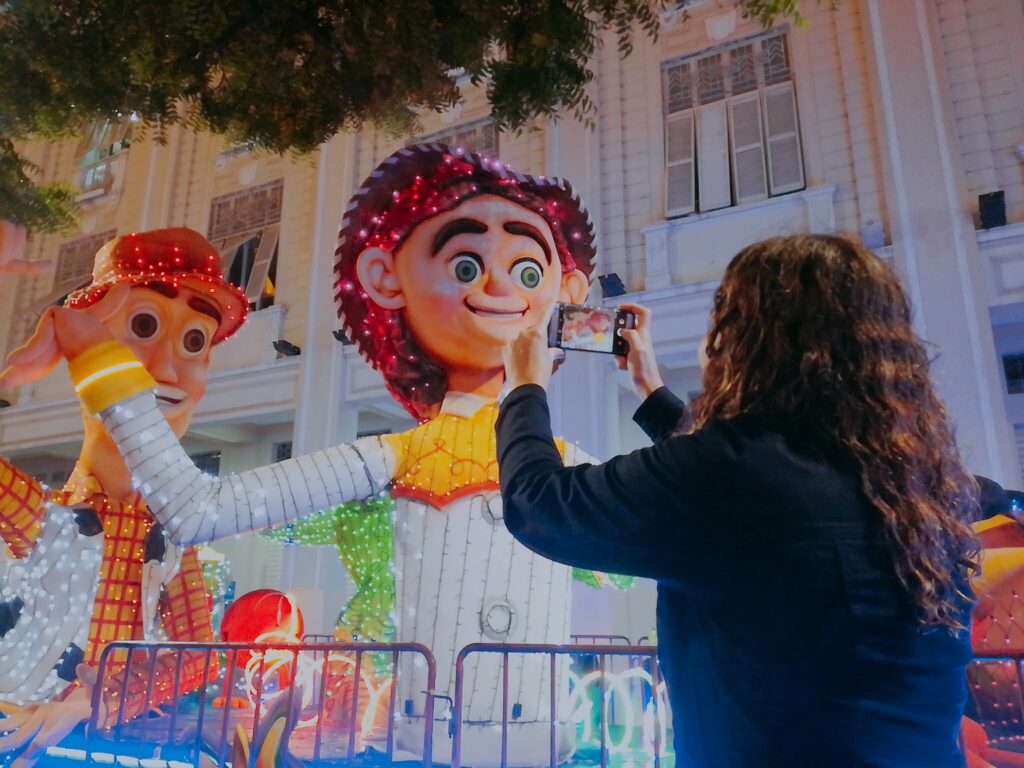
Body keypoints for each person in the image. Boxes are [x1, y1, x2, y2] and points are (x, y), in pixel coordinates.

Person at [1, 145, 609, 766]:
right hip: (419, 745)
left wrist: (651, 397)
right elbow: (196, 507)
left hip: (546, 745)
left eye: (529, 272)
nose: (501, 285)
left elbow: (676, 530)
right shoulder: (397, 454)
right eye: (464, 264)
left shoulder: (570, 465)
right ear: (386, 277)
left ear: (569, 290)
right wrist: (100, 362)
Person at [497, 234, 983, 767]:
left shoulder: (728, 471)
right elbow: (749, 486)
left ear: (748, 339)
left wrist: (524, 387)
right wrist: (650, 387)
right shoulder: (926, 478)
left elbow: (541, 505)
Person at [0, 228, 248, 765]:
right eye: (143, 326)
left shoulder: (176, 536)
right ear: (79, 351)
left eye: (194, 341)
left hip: (107, 745)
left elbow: (200, 655)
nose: (165, 369)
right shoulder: (43, 517)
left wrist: (100, 698)